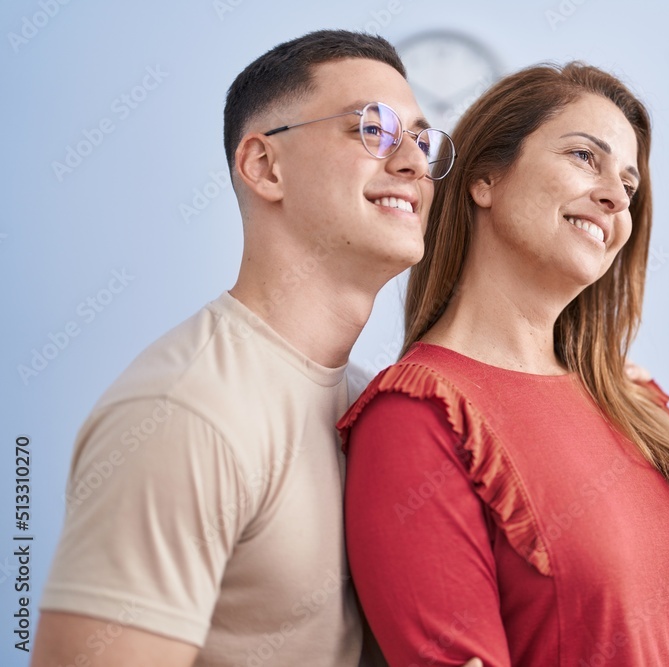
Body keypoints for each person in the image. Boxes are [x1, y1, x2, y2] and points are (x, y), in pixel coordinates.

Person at [31, 30, 481, 667]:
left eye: (422, 140)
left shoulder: (382, 408)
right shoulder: (185, 414)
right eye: (372, 130)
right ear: (265, 167)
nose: (413, 163)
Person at [340, 62, 669, 666]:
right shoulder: (416, 420)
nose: (614, 195)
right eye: (586, 157)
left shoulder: (638, 408)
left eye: (629, 185)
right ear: (485, 178)